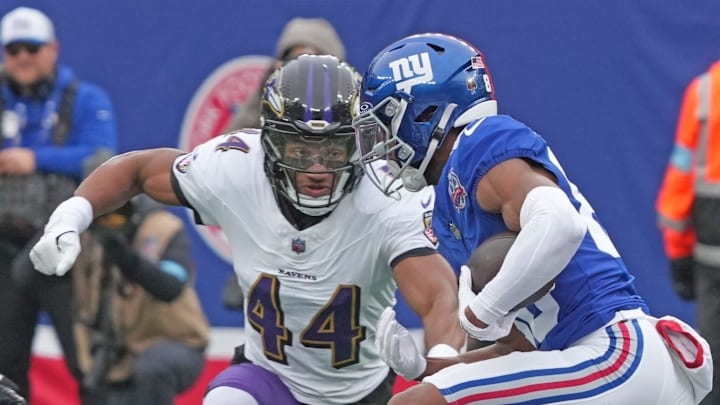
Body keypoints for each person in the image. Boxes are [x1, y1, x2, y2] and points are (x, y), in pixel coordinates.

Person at [29, 54, 465, 405]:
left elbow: (439, 297)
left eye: (333, 149)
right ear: (270, 143)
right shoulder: (236, 167)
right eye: (299, 148)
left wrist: (440, 360)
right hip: (267, 375)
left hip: (357, 393)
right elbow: (138, 170)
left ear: (358, 142)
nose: (316, 168)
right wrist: (72, 216)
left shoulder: (383, 197)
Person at [353, 33, 713, 404]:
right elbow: (519, 350)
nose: (383, 146)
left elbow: (559, 223)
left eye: (387, 125)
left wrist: (485, 309)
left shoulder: (480, 142)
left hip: (613, 353)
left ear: (424, 113)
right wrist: (425, 369)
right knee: (424, 392)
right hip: (596, 357)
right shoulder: (450, 203)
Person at [0, 6, 117, 400]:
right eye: (12, 49)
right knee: (6, 365)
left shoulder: (84, 97)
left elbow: (103, 158)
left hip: (69, 251)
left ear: (52, 48)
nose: (22, 57)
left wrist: (35, 158)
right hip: (5, 249)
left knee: (87, 361)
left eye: (31, 47)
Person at [73, 195, 209, 405]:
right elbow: (28, 275)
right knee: (92, 385)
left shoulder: (164, 228)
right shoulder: (81, 233)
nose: (111, 218)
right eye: (103, 212)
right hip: (112, 351)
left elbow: (170, 288)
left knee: (153, 368)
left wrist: (125, 256)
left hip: (174, 342)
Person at [657, 60, 720, 405]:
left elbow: (680, 182)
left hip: (713, 265)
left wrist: (679, 254)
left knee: (713, 374)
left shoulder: (707, 92)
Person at [222, 16, 345, 133]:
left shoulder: (350, 103)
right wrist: (263, 96)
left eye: (315, 62)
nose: (303, 70)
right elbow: (231, 144)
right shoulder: (271, 96)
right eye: (293, 59)